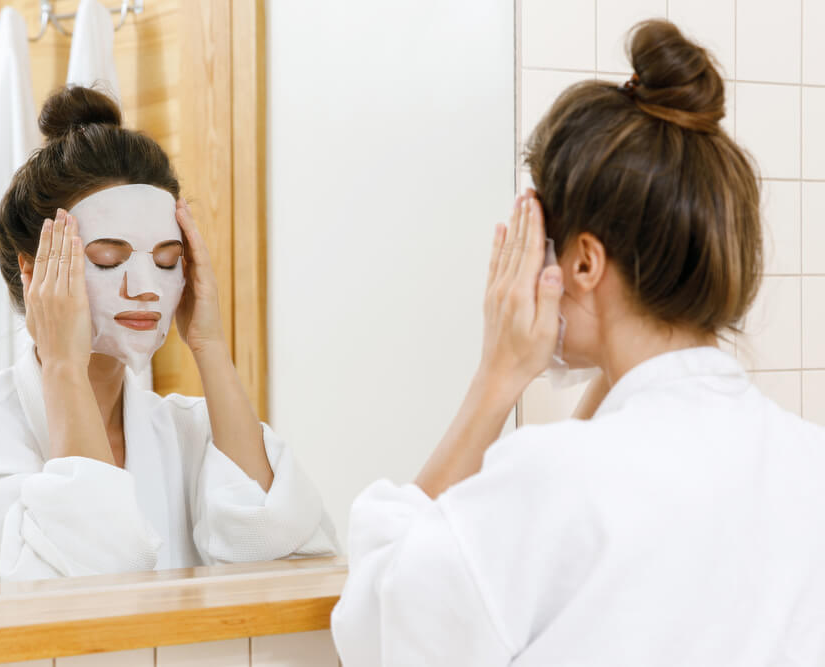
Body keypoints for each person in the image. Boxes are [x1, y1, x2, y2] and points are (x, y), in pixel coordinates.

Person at [331, 20, 825, 666]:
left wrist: (496, 379)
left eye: (543, 249)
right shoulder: (807, 463)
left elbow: (377, 627)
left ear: (585, 263)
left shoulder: (552, 479)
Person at [0, 86, 337, 589]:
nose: (146, 288)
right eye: (108, 259)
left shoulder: (192, 432)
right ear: (32, 271)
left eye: (167, 261)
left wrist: (210, 347)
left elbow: (285, 567)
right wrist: (63, 366)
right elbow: (88, 591)